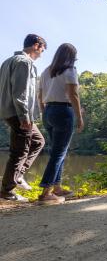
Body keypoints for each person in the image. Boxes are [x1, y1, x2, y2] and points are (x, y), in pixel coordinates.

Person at [0, 34, 47, 202]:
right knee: (20, 152)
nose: (41, 54)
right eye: (42, 49)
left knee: (38, 141)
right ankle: (7, 191)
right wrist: (24, 116)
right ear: (36, 46)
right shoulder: (24, 62)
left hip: (8, 111)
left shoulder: (7, 62)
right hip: (18, 113)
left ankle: (17, 176)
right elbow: (20, 93)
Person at [37, 43, 84, 204]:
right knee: (58, 153)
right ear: (71, 56)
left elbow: (39, 96)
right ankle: (45, 193)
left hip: (49, 111)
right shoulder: (69, 70)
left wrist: (46, 113)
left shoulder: (46, 71)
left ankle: (57, 188)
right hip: (63, 112)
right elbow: (73, 94)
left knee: (58, 152)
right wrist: (79, 117)